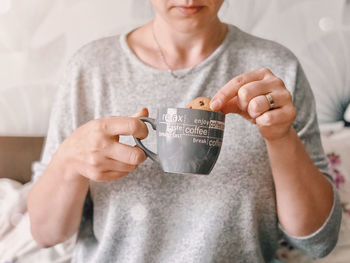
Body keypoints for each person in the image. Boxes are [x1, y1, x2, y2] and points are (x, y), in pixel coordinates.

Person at [27, 0, 342, 262]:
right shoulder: (91, 69)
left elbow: (317, 241)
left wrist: (280, 136)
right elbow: (46, 234)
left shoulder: (274, 70)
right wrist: (68, 162)